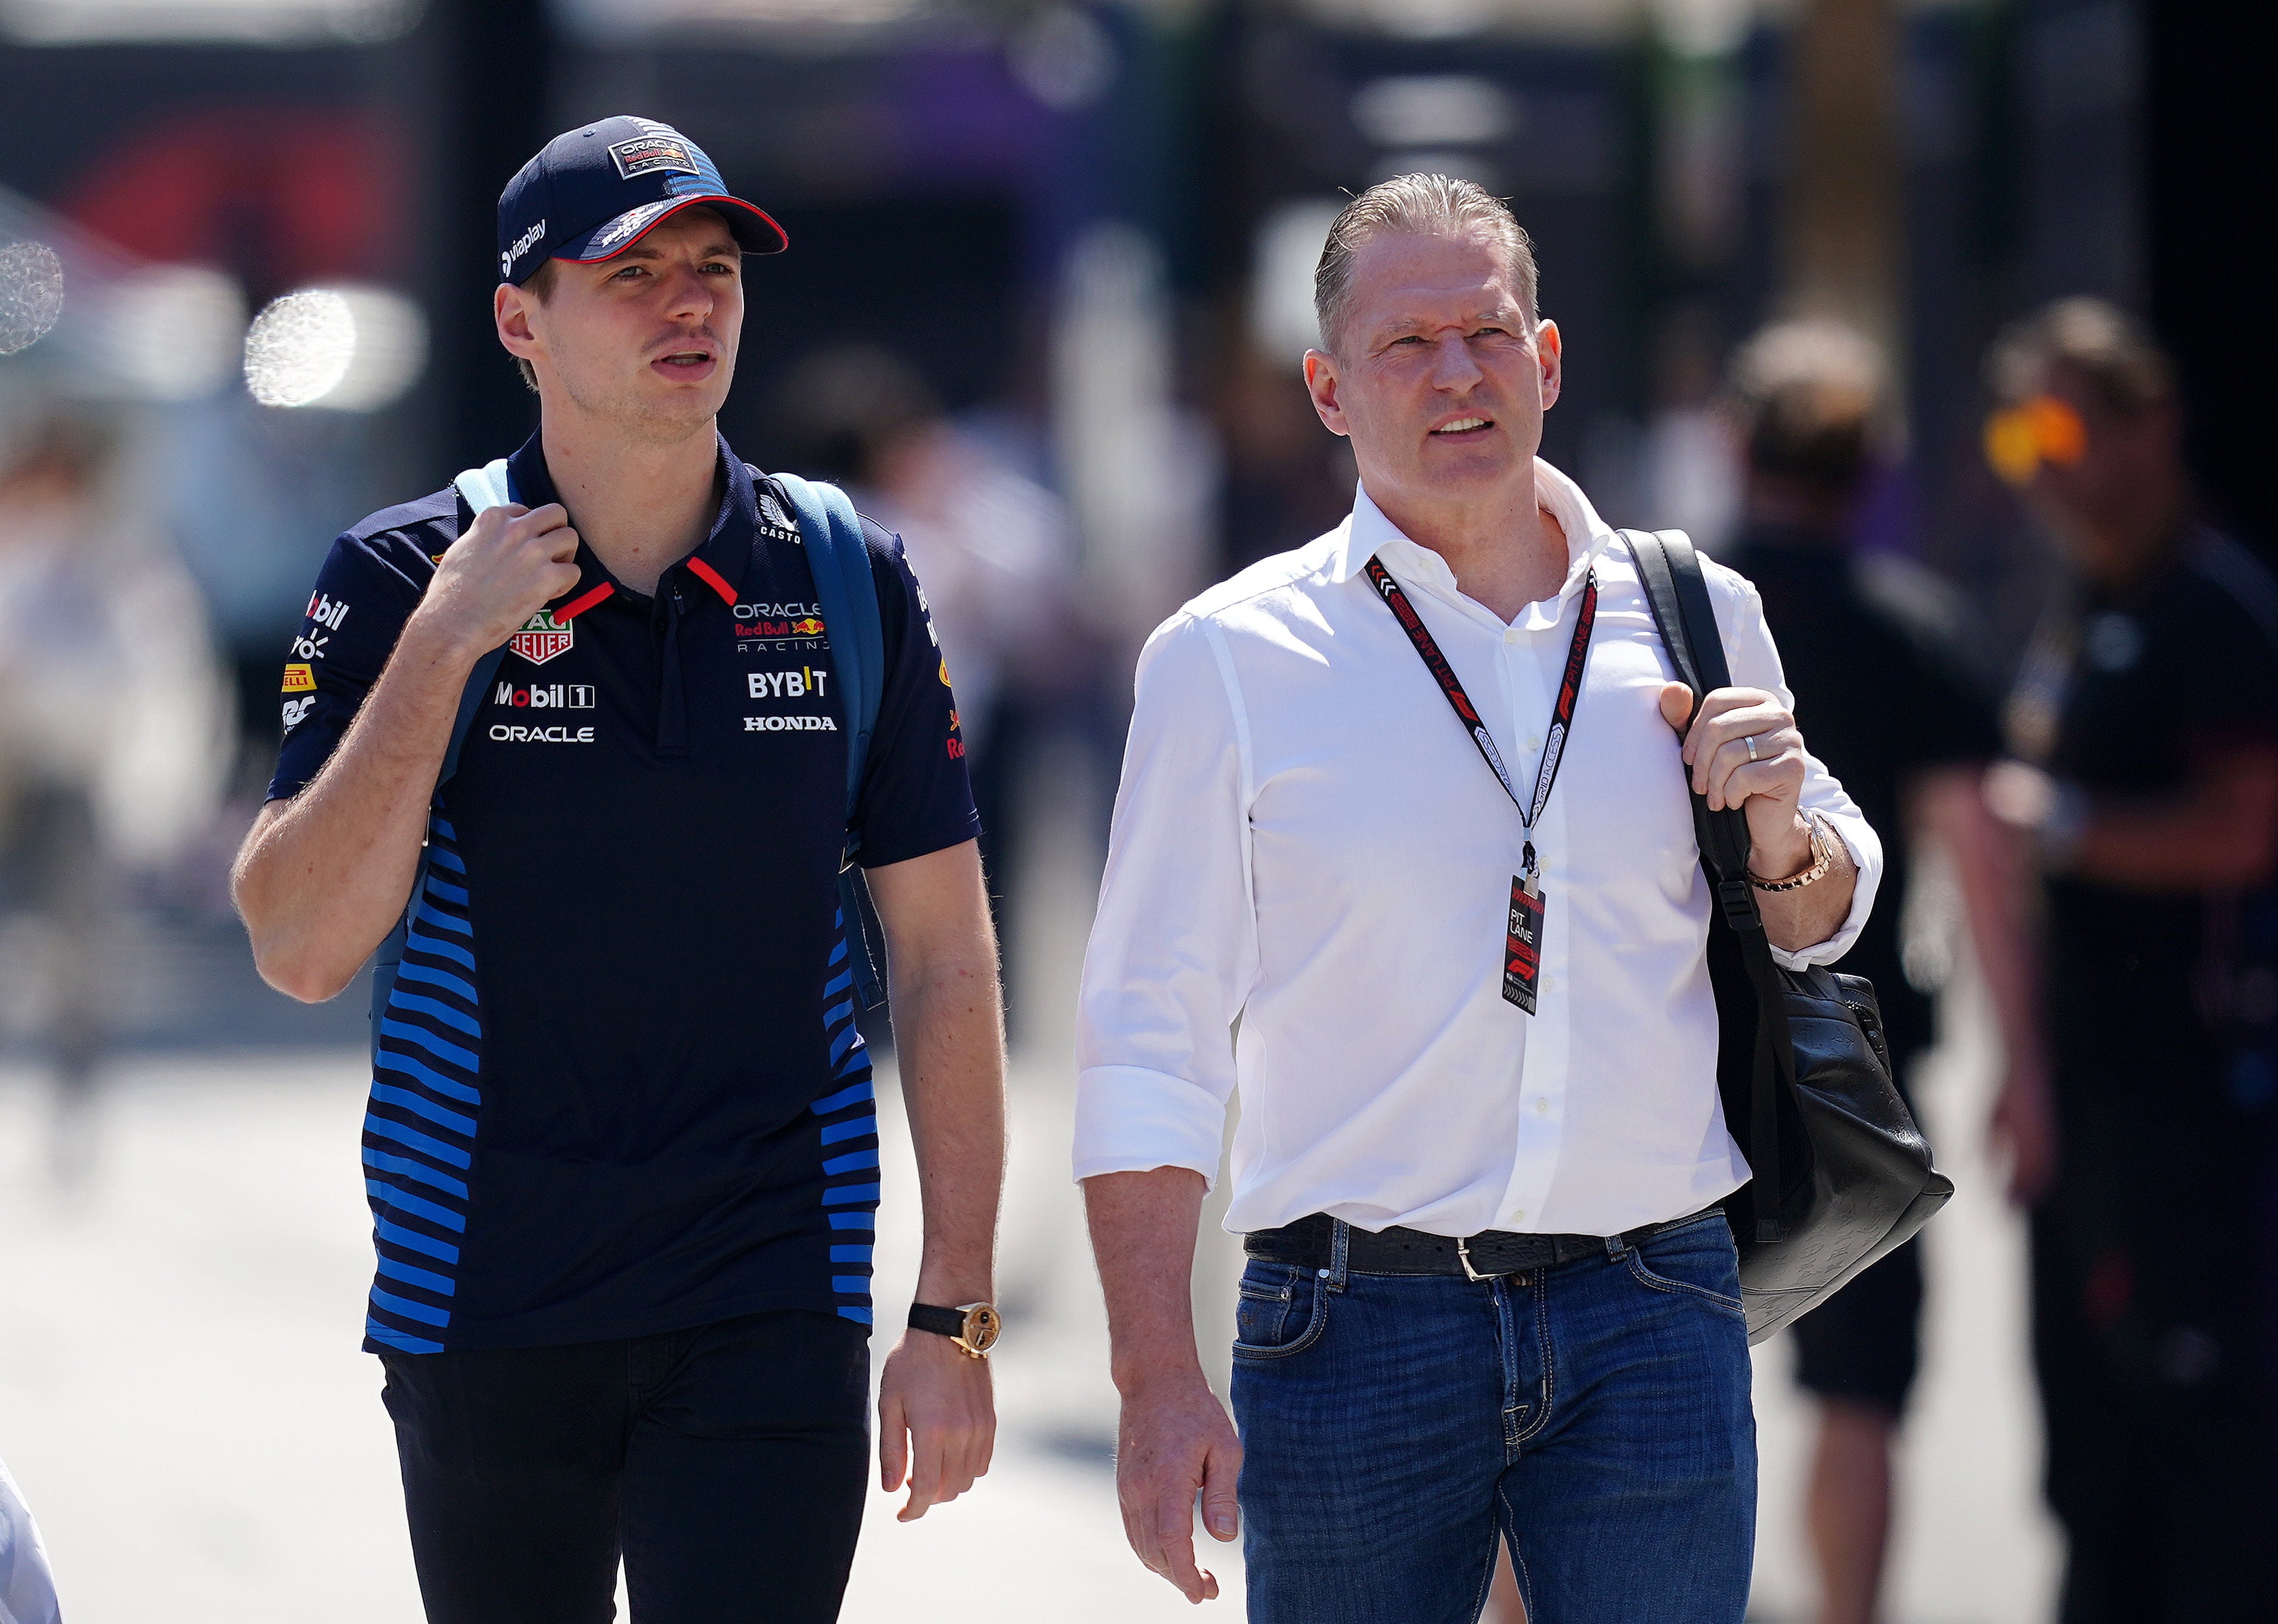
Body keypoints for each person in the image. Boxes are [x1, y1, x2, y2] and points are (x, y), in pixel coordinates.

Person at [1073, 173, 1883, 1623]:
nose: (1458, 376)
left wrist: (1781, 841)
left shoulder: (1698, 611)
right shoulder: (1229, 658)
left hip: (1658, 1308)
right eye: (1407, 346)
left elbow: (1824, 907)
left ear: (1549, 359)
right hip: (1352, 1325)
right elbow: (1149, 1040)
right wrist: (1154, 1377)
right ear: (1328, 388)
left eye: (1489, 335)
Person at [230, 117, 1007, 1623]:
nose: (691, 304)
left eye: (714, 269)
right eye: (634, 273)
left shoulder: (846, 574)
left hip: (772, 1296)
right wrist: (452, 644)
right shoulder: (402, 576)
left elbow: (946, 959)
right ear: (522, 323)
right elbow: (300, 946)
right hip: (487, 1299)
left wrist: (951, 1315)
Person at [1714, 321, 2050, 1624]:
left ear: (1739, 447)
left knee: (1602, 1372)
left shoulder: (1663, 613)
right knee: (1860, 1391)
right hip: (1859, 1061)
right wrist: (2027, 1064)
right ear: (1874, 471)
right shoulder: (1918, 626)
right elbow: (1977, 860)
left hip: (1673, 1041)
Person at [1979, 297, 2278, 1622]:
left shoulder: (2213, 606)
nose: (2039, 462)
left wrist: (2076, 827)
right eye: (2014, 435)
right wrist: (2024, 1069)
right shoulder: (2082, 598)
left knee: (2204, 1461)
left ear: (2148, 426)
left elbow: (2245, 830)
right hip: (2090, 1108)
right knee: (2090, 1461)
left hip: (2198, 1114)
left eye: (2059, 425)